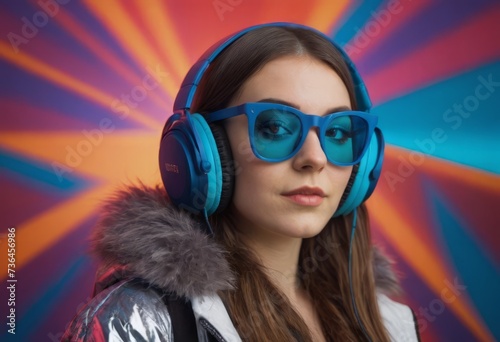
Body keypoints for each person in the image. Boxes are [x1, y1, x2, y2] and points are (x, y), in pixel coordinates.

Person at [62, 22, 420, 341]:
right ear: (205, 151)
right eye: (275, 127)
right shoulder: (139, 321)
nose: (316, 158)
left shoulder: (393, 324)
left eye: (339, 132)